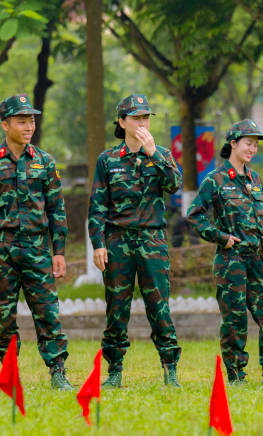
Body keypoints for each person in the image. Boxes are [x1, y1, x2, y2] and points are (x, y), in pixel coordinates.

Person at [0, 93, 73, 391]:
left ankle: (58, 372)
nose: (28, 125)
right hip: (2, 252)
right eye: (21, 120)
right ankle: (8, 371)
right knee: (4, 316)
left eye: (31, 120)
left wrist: (59, 253)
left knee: (48, 312)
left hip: (38, 250)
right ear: (6, 124)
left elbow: (57, 210)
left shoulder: (44, 162)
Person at [88, 94, 182, 388]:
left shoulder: (160, 153)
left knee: (159, 307)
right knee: (116, 307)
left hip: (152, 241)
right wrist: (98, 243)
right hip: (118, 242)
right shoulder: (108, 160)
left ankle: (170, 369)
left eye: (146, 117)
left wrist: (155, 154)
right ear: (122, 122)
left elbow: (174, 185)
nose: (143, 123)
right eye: (136, 118)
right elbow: (97, 206)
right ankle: (114, 371)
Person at [187, 119, 263, 385]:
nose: (252, 149)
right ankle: (236, 375)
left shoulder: (256, 179)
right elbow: (195, 216)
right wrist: (220, 237)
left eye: (255, 145)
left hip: (257, 260)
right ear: (233, 144)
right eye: (248, 143)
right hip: (230, 261)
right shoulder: (215, 179)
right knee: (235, 319)